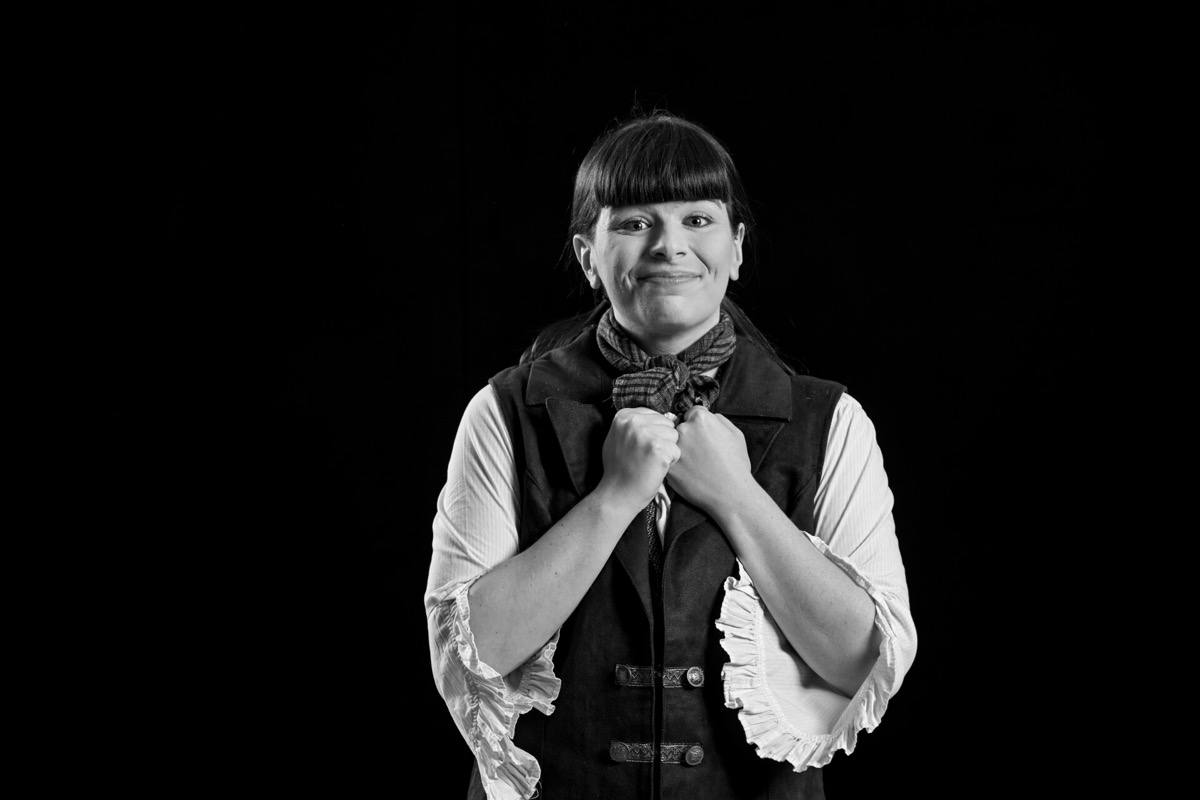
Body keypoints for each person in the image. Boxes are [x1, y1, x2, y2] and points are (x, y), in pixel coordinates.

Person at [425, 110, 917, 800]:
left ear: (736, 248)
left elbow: (862, 662)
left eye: (698, 219)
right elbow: (468, 653)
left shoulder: (832, 421)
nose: (668, 246)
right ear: (588, 255)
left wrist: (736, 494)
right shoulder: (503, 412)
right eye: (634, 222)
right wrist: (614, 497)